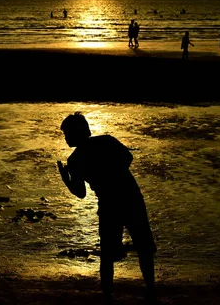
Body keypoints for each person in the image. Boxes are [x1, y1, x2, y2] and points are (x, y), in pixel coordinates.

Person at [56, 112, 158, 303]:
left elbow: (80, 193)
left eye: (67, 134)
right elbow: (128, 157)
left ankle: (108, 293)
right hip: (129, 196)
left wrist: (68, 180)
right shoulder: (105, 142)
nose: (65, 139)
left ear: (76, 133)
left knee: (108, 252)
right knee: (142, 245)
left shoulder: (76, 159)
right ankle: (149, 288)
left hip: (112, 202)